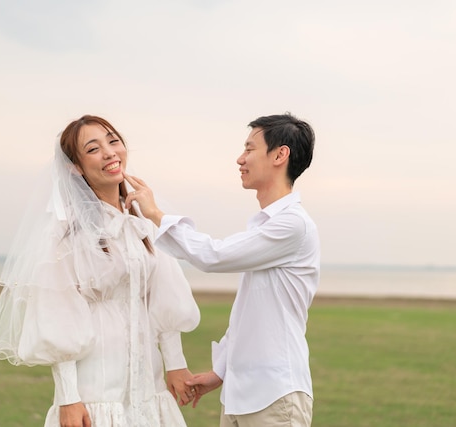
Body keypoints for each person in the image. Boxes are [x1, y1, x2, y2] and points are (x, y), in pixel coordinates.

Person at [0, 115, 201, 427]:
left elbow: (164, 297)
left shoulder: (140, 221)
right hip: (95, 392)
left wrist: (176, 364)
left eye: (113, 141)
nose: (110, 153)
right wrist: (68, 397)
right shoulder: (65, 234)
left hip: (148, 387)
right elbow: (57, 319)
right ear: (76, 167)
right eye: (93, 149)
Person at [125, 112, 319, 426]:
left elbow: (213, 256)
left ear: (280, 155)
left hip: (275, 395)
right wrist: (220, 372)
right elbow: (250, 313)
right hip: (242, 397)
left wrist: (154, 214)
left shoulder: (292, 225)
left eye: (249, 148)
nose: (240, 159)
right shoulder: (267, 226)